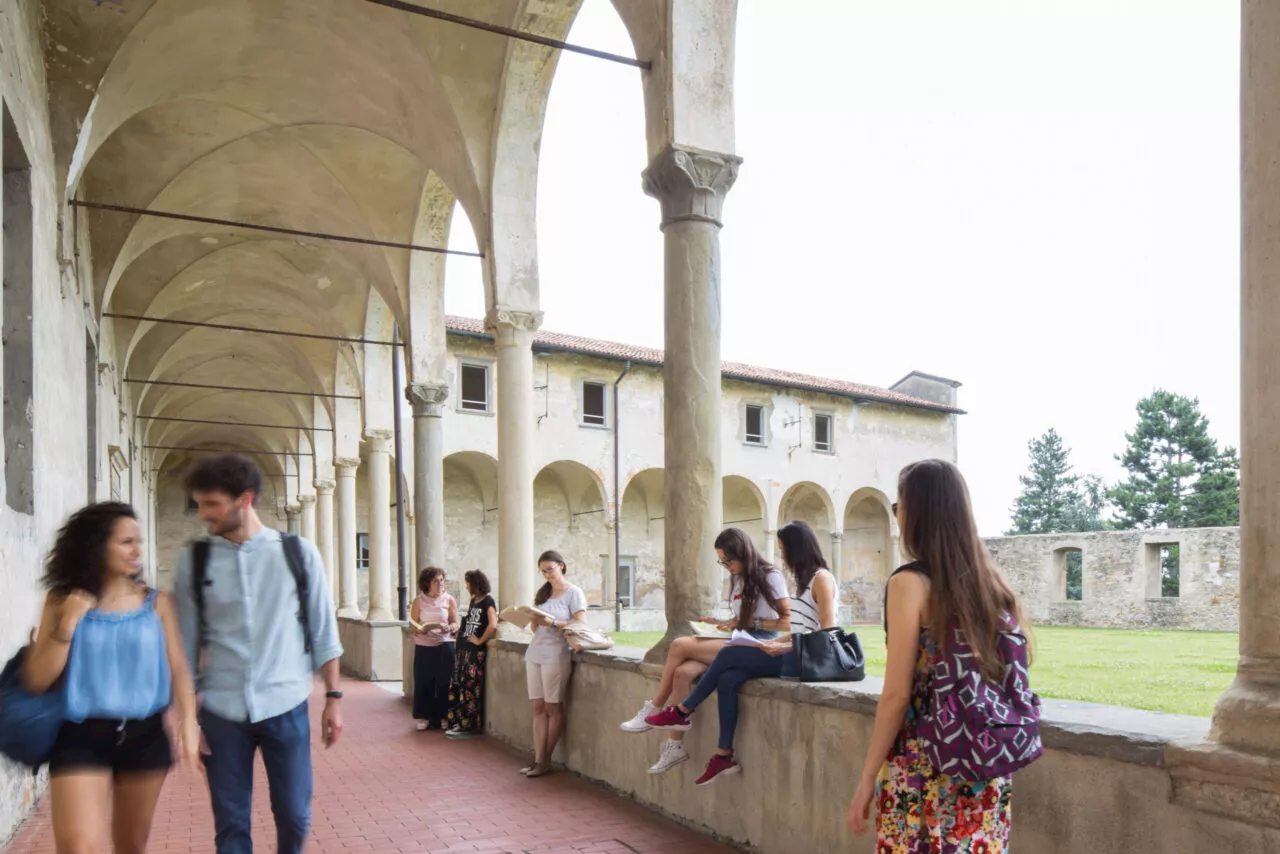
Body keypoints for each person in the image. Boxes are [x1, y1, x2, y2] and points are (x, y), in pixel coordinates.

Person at [173, 453, 344, 854]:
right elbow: (183, 646)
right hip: (221, 710)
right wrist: (187, 720)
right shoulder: (193, 562)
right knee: (231, 825)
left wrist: (333, 699)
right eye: (199, 503)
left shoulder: (298, 554)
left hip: (286, 704)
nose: (203, 515)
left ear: (244, 499)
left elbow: (323, 631)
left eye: (212, 504)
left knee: (294, 815)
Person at [847, 459, 1022, 850]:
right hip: (985, 764)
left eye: (899, 505)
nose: (898, 515)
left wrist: (866, 780)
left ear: (917, 512)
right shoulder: (991, 585)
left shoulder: (910, 583)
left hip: (926, 767)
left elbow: (897, 695)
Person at [21, 502, 199, 854]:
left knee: (131, 845)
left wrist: (189, 721)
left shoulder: (157, 603)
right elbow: (37, 679)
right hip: (80, 736)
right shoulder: (61, 601)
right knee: (77, 847)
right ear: (96, 545)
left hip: (145, 735)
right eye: (126, 542)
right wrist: (67, 625)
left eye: (138, 541)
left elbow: (179, 667)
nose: (137, 550)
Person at [643, 520, 834, 785]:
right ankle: (723, 755)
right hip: (794, 652)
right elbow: (802, 628)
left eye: (784, 550)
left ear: (798, 549)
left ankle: (683, 710)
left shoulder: (822, 579)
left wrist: (784, 646)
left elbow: (827, 633)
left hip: (809, 661)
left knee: (729, 654)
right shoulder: (805, 582)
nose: (782, 556)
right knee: (727, 678)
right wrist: (781, 642)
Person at [623, 527, 791, 777]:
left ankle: (655, 707)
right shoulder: (737, 577)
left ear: (743, 554)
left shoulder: (770, 576)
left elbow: (787, 621)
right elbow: (743, 616)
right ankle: (674, 746)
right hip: (737, 636)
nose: (725, 566)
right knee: (682, 673)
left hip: (758, 642)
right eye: (721, 561)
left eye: (728, 561)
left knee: (680, 645)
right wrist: (723, 622)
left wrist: (749, 625)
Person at [520, 550, 586, 778]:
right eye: (542, 571)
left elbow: (580, 624)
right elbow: (535, 629)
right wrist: (533, 620)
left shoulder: (573, 592)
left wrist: (552, 621)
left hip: (556, 655)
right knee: (538, 708)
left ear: (562, 566)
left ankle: (545, 759)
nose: (546, 574)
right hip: (535, 653)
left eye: (550, 569)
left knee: (552, 707)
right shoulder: (544, 594)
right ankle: (538, 758)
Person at [446, 569, 498, 739]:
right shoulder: (474, 601)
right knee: (460, 685)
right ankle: (459, 722)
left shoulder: (488, 601)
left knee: (471, 687)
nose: (466, 586)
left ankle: (469, 724)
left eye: (468, 583)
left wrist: (481, 640)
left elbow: (493, 624)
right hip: (464, 648)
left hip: (475, 652)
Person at [411, 566, 459, 731]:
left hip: (445, 645)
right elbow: (414, 624)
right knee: (424, 682)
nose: (439, 584)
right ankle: (425, 716)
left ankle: (444, 716)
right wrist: (422, 628)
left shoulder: (449, 599)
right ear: (427, 583)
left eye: (441, 581)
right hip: (424, 646)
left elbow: (455, 622)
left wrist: (451, 627)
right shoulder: (419, 601)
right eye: (435, 581)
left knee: (445, 682)